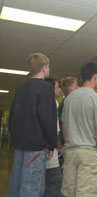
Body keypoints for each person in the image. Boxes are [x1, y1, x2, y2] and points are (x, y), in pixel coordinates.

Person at [8, 53, 57, 197]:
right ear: (44, 67)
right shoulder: (46, 88)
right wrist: (51, 144)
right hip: (35, 147)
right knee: (31, 188)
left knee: (16, 185)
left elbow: (12, 116)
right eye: (48, 66)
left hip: (19, 146)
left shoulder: (21, 87)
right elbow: (48, 118)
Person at [61, 62, 97, 197]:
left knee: (69, 193)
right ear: (95, 76)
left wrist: (69, 145)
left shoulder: (69, 99)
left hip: (70, 152)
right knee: (88, 193)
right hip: (89, 153)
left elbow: (64, 126)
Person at [43, 78, 62, 197]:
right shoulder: (53, 102)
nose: (60, 89)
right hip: (50, 153)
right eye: (58, 86)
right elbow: (53, 130)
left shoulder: (41, 101)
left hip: (38, 152)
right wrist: (60, 148)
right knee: (54, 183)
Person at [57, 77, 79, 145]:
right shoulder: (66, 104)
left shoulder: (68, 102)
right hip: (67, 142)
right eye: (77, 85)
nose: (79, 87)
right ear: (70, 88)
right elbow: (64, 125)